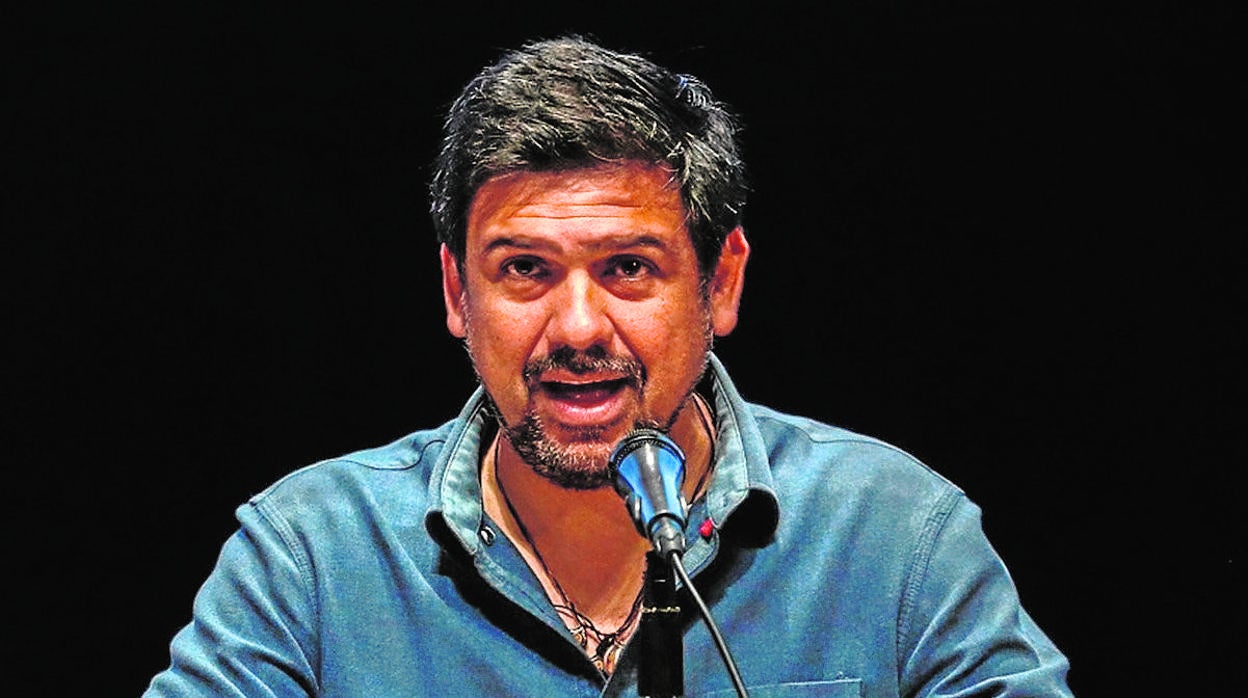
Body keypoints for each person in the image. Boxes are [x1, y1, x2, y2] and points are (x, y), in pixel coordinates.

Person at [145, 36, 1071, 696]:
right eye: (524, 270)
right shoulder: (312, 556)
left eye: (628, 267)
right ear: (458, 292)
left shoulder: (895, 536)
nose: (579, 327)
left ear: (721, 283)